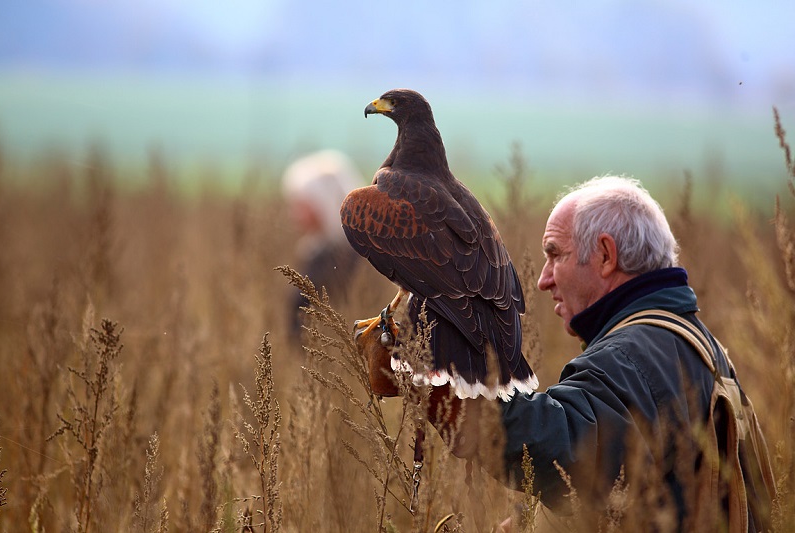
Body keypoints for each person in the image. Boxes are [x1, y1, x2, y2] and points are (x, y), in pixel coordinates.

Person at [362, 175, 775, 531]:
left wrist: (433, 382)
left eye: (555, 254)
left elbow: (560, 451)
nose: (542, 280)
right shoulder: (693, 344)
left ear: (606, 255)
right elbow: (631, 479)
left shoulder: (634, 354)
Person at [281, 149, 363, 340]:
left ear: (323, 203)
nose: (294, 215)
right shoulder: (319, 250)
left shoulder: (339, 257)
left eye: (301, 205)